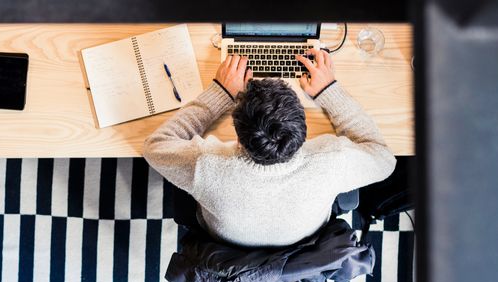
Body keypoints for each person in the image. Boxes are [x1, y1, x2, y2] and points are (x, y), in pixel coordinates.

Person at [143, 49, 396, 247]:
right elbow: (383, 157)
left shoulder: (207, 164)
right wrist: (329, 91)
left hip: (226, 246)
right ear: (302, 131)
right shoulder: (331, 161)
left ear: (239, 139)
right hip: (305, 244)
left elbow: (155, 146)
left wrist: (220, 93)